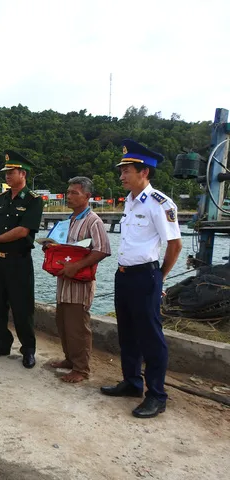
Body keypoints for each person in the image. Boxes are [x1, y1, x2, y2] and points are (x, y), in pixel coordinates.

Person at [100, 139, 182, 419]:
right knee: (128, 334)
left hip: (145, 276)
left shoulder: (159, 204)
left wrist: (159, 277)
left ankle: (157, 395)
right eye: (121, 171)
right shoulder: (131, 202)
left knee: (151, 338)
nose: (121, 176)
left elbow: (175, 245)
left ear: (144, 172)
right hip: (123, 275)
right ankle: (132, 382)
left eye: (126, 170)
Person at [0, 150, 43, 368]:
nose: (6, 175)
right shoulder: (3, 199)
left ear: (22, 173)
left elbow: (23, 231)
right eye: (5, 172)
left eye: (11, 171)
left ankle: (28, 350)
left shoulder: (34, 201)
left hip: (18, 261)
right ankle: (2, 343)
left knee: (22, 307)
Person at [47, 177, 111, 382]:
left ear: (87, 196)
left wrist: (77, 266)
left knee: (78, 327)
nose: (69, 196)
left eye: (74, 193)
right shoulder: (70, 220)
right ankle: (70, 359)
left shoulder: (93, 221)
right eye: (68, 192)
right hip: (65, 280)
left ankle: (81, 369)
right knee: (64, 323)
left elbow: (102, 249)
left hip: (80, 283)